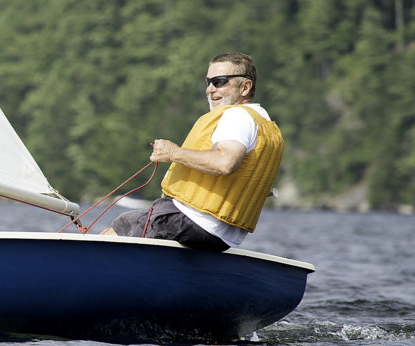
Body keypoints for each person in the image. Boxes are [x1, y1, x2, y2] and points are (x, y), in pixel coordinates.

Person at [103, 52, 284, 251]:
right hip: (223, 237)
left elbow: (225, 162)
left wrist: (173, 153)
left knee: (119, 228)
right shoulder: (264, 123)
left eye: (219, 82)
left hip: (191, 221)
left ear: (245, 87)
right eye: (208, 82)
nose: (210, 89)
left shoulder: (236, 117)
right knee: (129, 220)